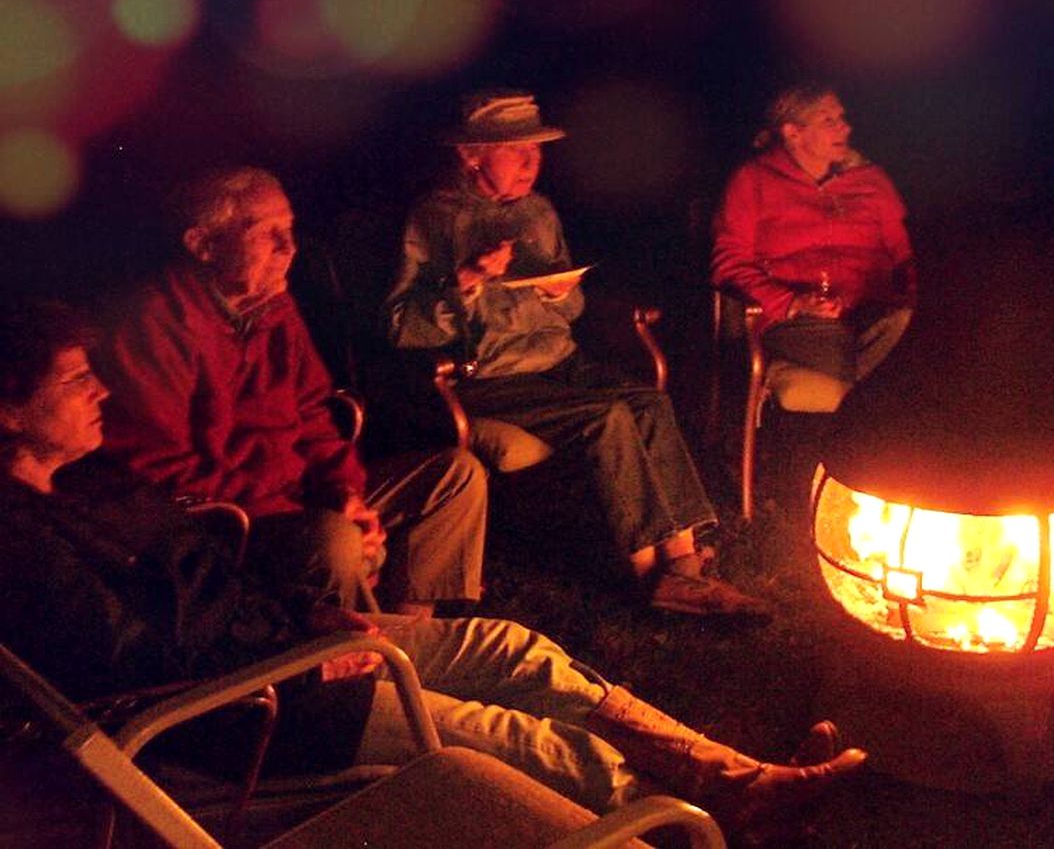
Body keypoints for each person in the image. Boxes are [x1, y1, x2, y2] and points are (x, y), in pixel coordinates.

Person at [0, 298, 867, 842]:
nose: (99, 393)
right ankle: (696, 818)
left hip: (288, 651)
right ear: (9, 410)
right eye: (76, 381)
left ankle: (730, 775)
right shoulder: (21, 540)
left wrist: (314, 615)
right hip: (252, 708)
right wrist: (288, 656)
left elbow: (215, 564)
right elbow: (134, 661)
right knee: (511, 735)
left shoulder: (90, 480)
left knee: (512, 649)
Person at [385, 90, 766, 617]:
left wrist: (561, 294)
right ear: (472, 155)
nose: (531, 163)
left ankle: (683, 567)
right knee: (606, 418)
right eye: (516, 151)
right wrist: (467, 280)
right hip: (491, 376)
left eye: (537, 151)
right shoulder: (435, 221)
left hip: (558, 362)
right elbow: (400, 325)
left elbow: (569, 310)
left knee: (648, 403)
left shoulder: (538, 213)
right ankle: (646, 569)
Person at [91, 167, 488, 617]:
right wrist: (307, 510)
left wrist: (344, 492)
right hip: (233, 520)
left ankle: (409, 630)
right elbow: (164, 468)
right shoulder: (154, 322)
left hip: (300, 496)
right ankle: (357, 661)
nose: (290, 247)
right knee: (333, 539)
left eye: (290, 228)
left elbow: (315, 414)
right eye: (268, 233)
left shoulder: (272, 306)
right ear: (202, 244)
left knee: (455, 477)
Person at [711, 84, 917, 412]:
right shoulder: (754, 180)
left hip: (871, 314)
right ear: (793, 132)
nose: (845, 128)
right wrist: (793, 302)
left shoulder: (871, 181)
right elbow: (729, 264)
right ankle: (854, 436)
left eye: (842, 118)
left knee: (912, 325)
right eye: (828, 121)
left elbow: (908, 253)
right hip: (799, 322)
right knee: (842, 354)